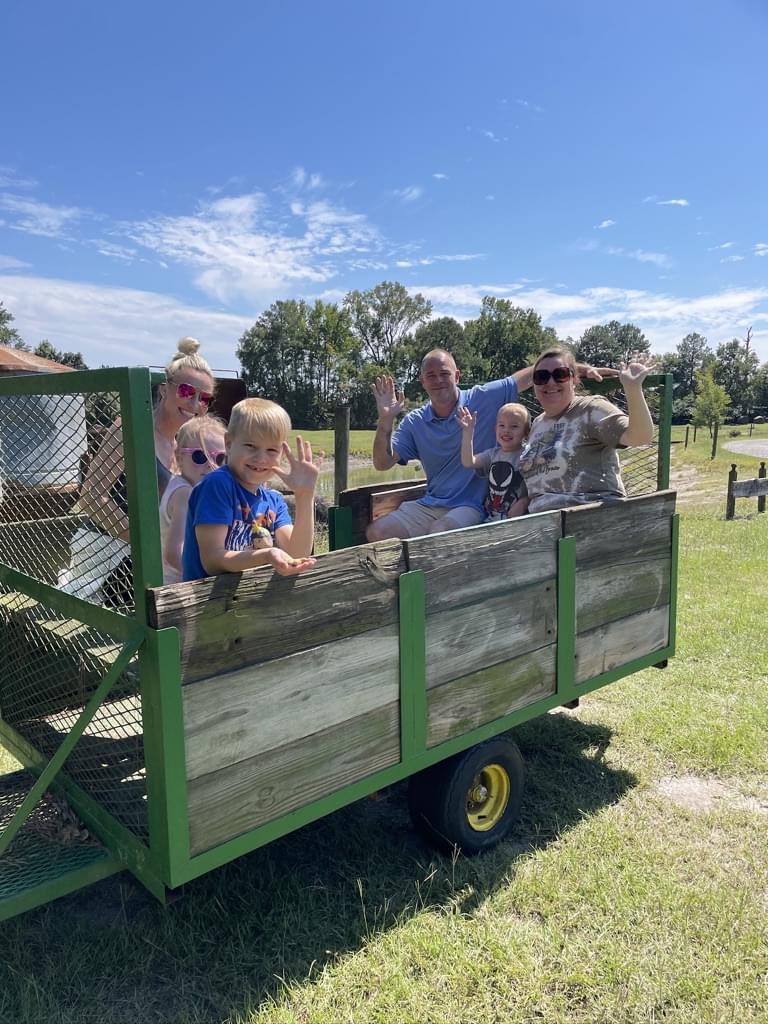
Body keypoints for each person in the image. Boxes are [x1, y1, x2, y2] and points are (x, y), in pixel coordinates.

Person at [366, 348, 615, 541]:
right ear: (422, 381)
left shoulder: (482, 397)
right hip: (432, 503)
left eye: (444, 373)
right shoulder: (415, 421)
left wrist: (577, 369)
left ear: (457, 376)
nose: (438, 380)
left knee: (438, 534)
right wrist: (385, 419)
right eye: (431, 375)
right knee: (377, 533)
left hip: (473, 505)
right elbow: (382, 463)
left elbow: (528, 377)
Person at [60, 337, 215, 605]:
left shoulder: (181, 447)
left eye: (205, 399)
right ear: (165, 389)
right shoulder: (129, 429)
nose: (195, 404)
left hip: (150, 558)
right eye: (187, 392)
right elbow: (91, 496)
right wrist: (145, 546)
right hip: (107, 549)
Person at [182, 397, 319, 581]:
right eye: (251, 446)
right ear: (229, 444)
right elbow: (213, 562)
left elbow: (296, 555)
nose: (261, 458)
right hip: (204, 602)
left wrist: (304, 496)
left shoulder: (274, 500)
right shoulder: (218, 485)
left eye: (272, 450)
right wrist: (266, 556)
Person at [519, 347, 654, 513]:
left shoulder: (590, 409)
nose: (550, 382)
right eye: (541, 377)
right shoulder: (538, 423)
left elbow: (640, 436)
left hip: (589, 516)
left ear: (574, 379)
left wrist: (633, 389)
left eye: (560, 374)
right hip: (543, 523)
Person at [159, 414, 227, 584]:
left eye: (219, 458)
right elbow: (174, 553)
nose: (212, 466)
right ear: (179, 457)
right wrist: (208, 575)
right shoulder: (185, 494)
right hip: (178, 588)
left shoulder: (196, 489)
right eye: (200, 456)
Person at [458, 402, 530, 520]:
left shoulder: (528, 455)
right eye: (501, 425)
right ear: (495, 429)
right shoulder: (492, 454)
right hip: (490, 519)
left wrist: (524, 501)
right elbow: (468, 462)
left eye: (514, 426)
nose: (506, 430)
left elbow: (538, 488)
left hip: (517, 521)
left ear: (526, 432)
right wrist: (468, 433)